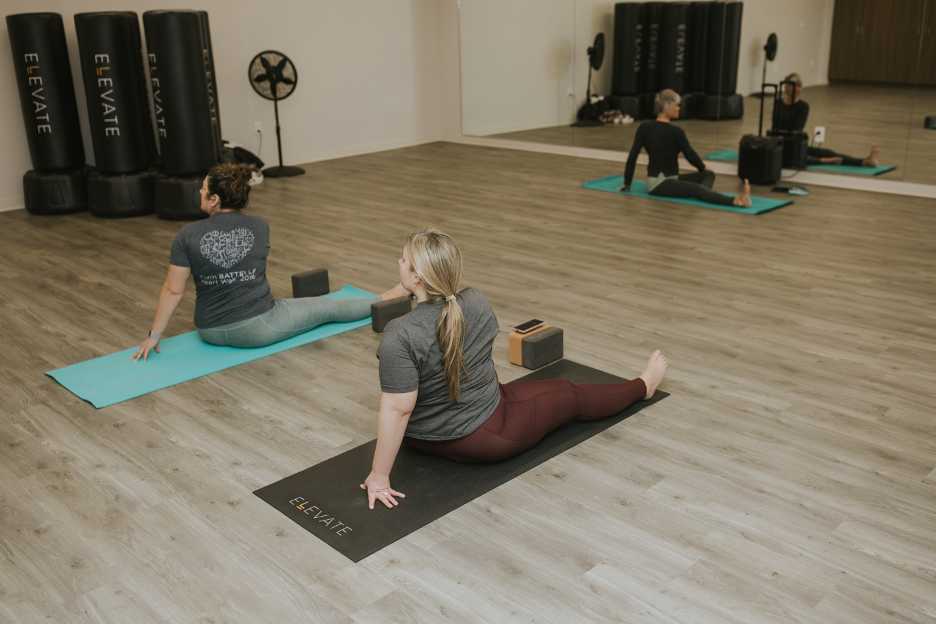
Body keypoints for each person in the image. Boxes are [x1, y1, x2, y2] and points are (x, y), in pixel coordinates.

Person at [360, 227, 668, 510]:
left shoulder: (398, 333)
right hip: (488, 434)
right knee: (572, 395)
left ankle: (641, 386)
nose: (397, 262)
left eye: (403, 260)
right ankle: (644, 386)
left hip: (419, 437)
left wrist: (379, 475)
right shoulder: (475, 302)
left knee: (544, 394)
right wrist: (378, 476)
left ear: (417, 277)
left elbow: (399, 410)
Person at [132, 163, 407, 361]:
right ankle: (390, 295)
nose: (200, 194)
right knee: (325, 307)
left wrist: (154, 335)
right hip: (256, 328)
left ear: (215, 199)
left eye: (203, 190)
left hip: (208, 330)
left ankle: (386, 296)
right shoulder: (259, 225)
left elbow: (173, 290)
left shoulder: (186, 235)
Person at [620, 89, 752, 208]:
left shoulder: (644, 127)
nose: (679, 108)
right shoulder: (676, 131)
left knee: (708, 174)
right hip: (658, 184)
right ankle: (737, 201)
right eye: (676, 105)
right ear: (667, 108)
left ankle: (702, 193)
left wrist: (627, 181)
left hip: (672, 178)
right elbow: (690, 155)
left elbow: (633, 156)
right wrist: (627, 182)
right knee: (698, 189)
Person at [773, 73, 879, 168]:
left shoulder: (803, 106)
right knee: (805, 157)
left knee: (829, 152)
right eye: (794, 86)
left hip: (794, 144)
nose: (797, 89)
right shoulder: (778, 102)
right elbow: (774, 126)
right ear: (786, 87)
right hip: (780, 143)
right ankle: (824, 161)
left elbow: (797, 130)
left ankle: (865, 161)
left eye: (800, 86)